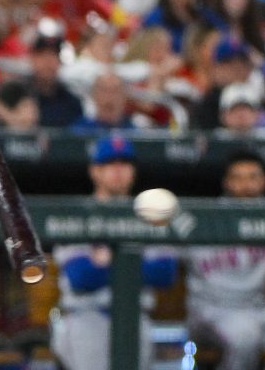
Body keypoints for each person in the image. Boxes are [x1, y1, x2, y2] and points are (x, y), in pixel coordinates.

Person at [51, 136, 178, 370]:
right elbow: (82, 277)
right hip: (87, 318)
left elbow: (164, 273)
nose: (119, 170)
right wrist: (136, 264)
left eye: (125, 163)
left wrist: (110, 261)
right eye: (110, 163)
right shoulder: (77, 215)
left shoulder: (151, 214)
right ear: (95, 171)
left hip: (136, 318)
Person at [184, 150, 265, 370]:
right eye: (238, 178)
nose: (245, 185)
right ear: (226, 182)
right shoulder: (205, 218)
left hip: (258, 309)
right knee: (245, 335)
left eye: (252, 177)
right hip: (210, 311)